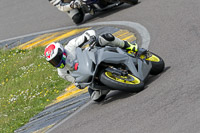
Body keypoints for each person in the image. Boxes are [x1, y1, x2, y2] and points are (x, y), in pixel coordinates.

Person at [44, 30, 138, 102]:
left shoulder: (71, 46)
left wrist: (92, 38)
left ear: (61, 51)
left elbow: (88, 33)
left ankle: (127, 46)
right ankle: (115, 82)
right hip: (90, 73)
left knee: (105, 38)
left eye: (56, 59)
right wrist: (80, 83)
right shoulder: (61, 72)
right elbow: (76, 82)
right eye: (52, 61)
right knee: (96, 97)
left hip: (92, 54)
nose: (56, 62)